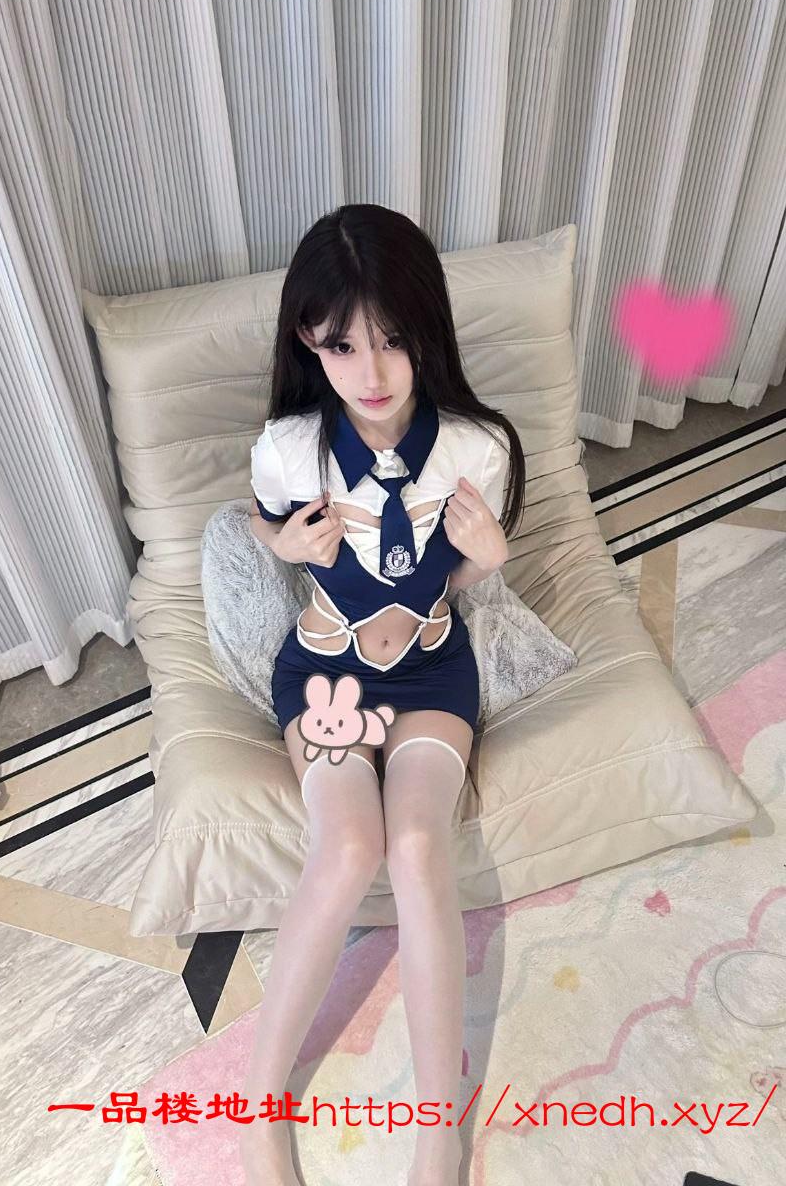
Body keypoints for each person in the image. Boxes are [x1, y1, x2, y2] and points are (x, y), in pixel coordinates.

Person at [237, 203, 525, 1186]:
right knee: (348, 844)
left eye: (393, 339)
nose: (371, 371)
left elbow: (459, 574)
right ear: (307, 341)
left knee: (417, 847)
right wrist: (282, 541)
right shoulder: (289, 448)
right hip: (326, 673)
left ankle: (439, 1133)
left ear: (426, 329)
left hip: (435, 670)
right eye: (343, 345)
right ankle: (259, 1111)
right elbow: (262, 522)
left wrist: (490, 559)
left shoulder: (477, 447)